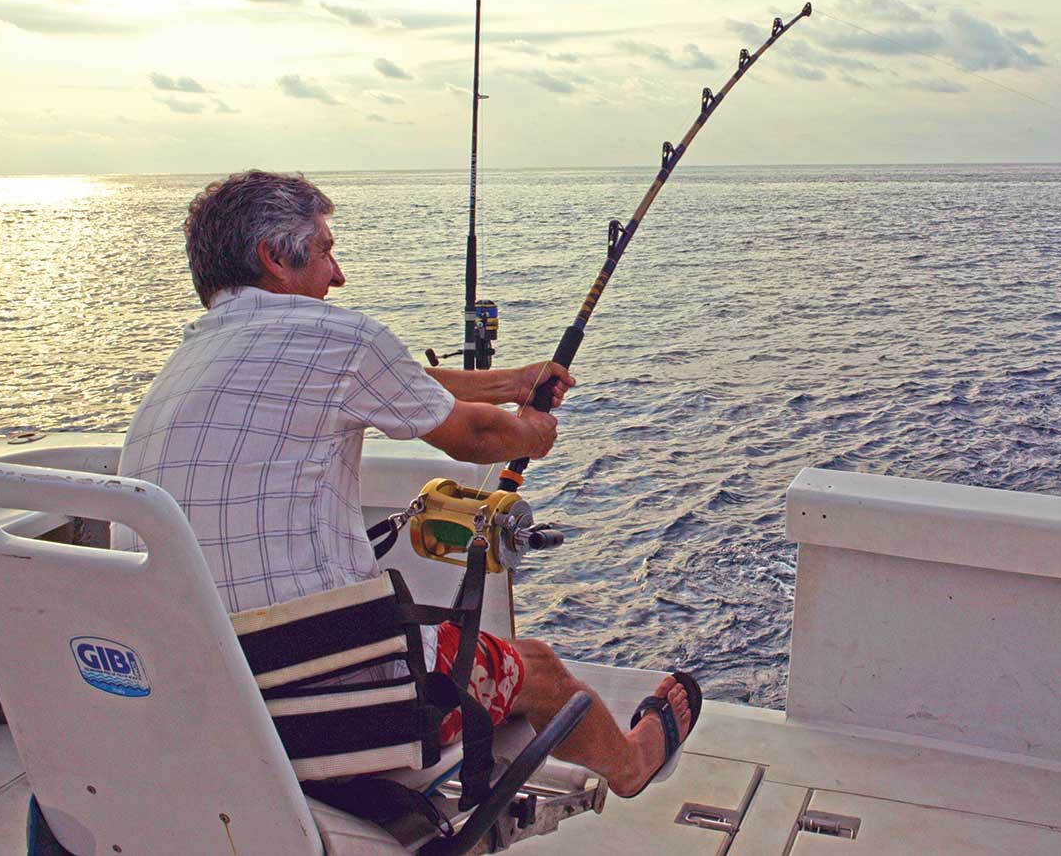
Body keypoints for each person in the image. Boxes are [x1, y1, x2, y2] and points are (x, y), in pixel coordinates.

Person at [113, 169, 696, 800]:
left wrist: (508, 382)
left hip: (188, 698)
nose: (338, 275)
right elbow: (477, 439)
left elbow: (390, 382)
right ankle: (633, 764)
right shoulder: (336, 338)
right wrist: (531, 432)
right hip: (328, 709)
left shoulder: (190, 361)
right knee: (540, 671)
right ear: (275, 258)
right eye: (327, 250)